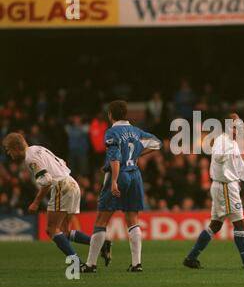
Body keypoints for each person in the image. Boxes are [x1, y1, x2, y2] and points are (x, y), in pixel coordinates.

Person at [2, 133, 110, 265]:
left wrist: (36, 202)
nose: (9, 154)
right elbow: (62, 162)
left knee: (51, 230)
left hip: (61, 186)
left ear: (15, 148)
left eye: (9, 150)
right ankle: (102, 244)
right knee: (65, 231)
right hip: (72, 183)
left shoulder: (30, 159)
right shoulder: (37, 148)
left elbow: (47, 181)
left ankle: (76, 263)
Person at [81, 100, 162, 273]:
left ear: (110, 114)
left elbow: (115, 159)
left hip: (120, 174)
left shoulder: (112, 132)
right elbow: (157, 143)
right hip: (135, 174)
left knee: (101, 220)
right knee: (132, 219)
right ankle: (136, 264)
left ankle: (90, 264)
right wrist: (138, 154)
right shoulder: (136, 131)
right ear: (126, 114)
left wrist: (114, 181)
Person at [183, 113, 244, 269]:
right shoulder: (222, 141)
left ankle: (191, 258)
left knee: (215, 225)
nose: (239, 128)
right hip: (225, 186)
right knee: (239, 223)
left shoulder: (232, 142)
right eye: (236, 125)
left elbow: (240, 167)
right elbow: (217, 156)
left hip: (224, 185)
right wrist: (225, 152)